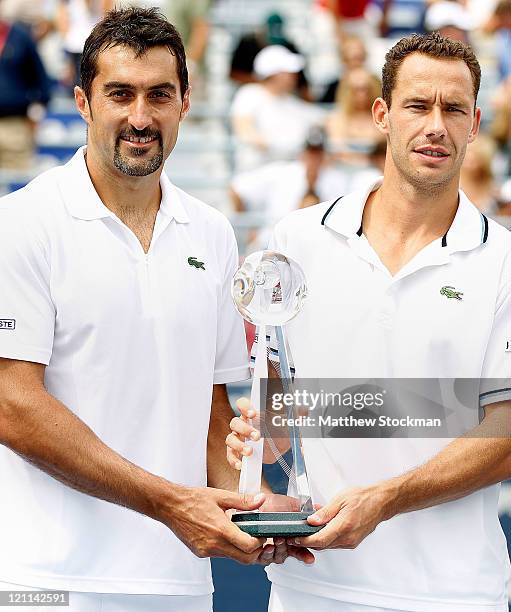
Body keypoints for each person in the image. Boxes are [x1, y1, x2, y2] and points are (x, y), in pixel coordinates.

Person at [0, 8, 311, 612]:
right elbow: (14, 406)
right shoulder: (22, 225)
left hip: (178, 582)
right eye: (120, 94)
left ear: (185, 103)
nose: (140, 118)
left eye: (158, 95)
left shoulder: (213, 231)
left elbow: (213, 405)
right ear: (84, 102)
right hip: (48, 583)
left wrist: (249, 505)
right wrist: (171, 503)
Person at [227, 32, 511, 611]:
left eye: (453, 109)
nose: (436, 125)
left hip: (455, 595)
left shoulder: (504, 265)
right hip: (310, 587)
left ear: (475, 122)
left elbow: (504, 437)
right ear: (381, 113)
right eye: (417, 105)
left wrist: (387, 498)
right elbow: (287, 415)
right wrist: (263, 438)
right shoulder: (296, 240)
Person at [230, 45, 324, 171]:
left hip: (287, 174)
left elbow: (324, 119)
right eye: (288, 71)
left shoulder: (292, 102)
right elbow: (244, 130)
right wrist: (279, 146)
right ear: (274, 73)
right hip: (256, 173)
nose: (294, 75)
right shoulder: (249, 94)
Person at [0, 2, 50, 169]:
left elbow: (42, 82)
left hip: (15, 126)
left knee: (16, 186)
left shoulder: (20, 36)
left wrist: (36, 114)